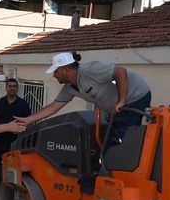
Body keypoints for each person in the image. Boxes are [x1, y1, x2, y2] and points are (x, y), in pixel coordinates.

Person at [16, 52, 151, 139]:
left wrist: (121, 101)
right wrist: (29, 120)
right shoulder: (69, 88)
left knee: (121, 138)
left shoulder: (89, 70)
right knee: (106, 136)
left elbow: (120, 72)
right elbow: (54, 106)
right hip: (119, 106)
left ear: (66, 70)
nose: (54, 75)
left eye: (56, 71)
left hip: (135, 95)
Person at [0, 78, 31, 196]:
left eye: (14, 86)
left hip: (14, 142)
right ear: (6, 88)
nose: (12, 88)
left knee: (11, 166)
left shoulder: (23, 104)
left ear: (17, 88)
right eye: (10, 86)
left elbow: (28, 122)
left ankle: (9, 187)